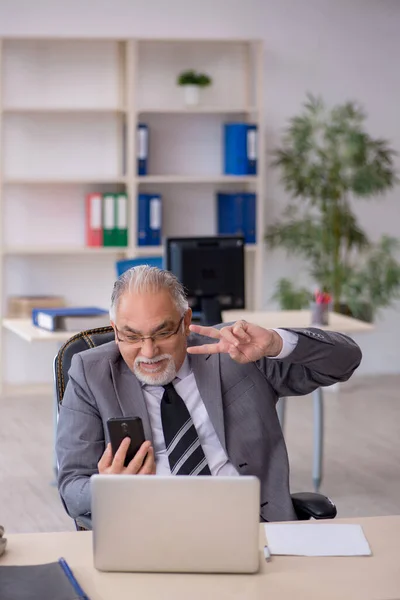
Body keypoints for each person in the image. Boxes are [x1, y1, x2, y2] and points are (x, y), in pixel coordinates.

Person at [56, 266, 362, 523]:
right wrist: (108, 489)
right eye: (131, 336)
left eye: (163, 333)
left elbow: (345, 362)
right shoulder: (91, 372)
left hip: (252, 526)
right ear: (115, 328)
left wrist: (276, 343)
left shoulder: (234, 350)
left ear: (186, 322)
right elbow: (71, 486)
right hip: (151, 529)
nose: (148, 352)